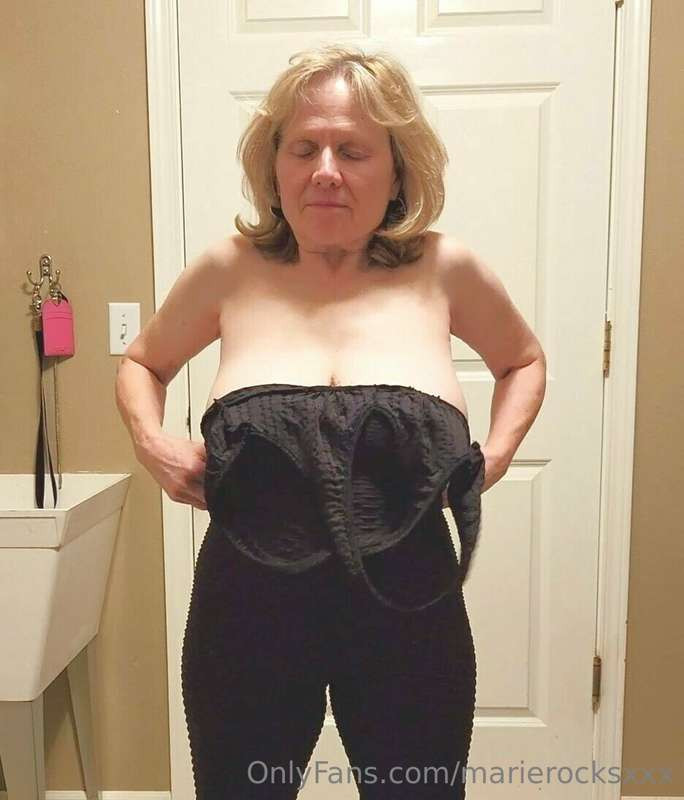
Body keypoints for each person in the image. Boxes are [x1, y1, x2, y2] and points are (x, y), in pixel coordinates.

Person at [116, 44, 546, 799]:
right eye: (303, 147)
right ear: (274, 165)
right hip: (245, 610)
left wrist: (497, 455)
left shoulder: (446, 269)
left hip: (410, 608)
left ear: (398, 170)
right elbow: (142, 362)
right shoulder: (228, 269)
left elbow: (523, 360)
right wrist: (154, 444)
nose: (324, 170)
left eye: (352, 150)